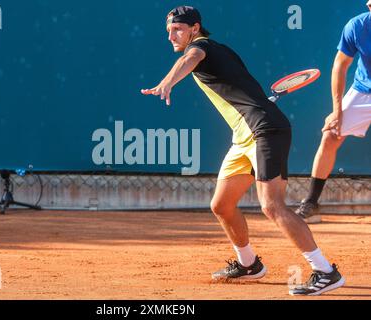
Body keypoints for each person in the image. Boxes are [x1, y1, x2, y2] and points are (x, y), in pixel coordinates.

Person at [141, 5, 345, 296]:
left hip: (264, 130)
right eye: (169, 31)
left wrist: (167, 82)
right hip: (244, 136)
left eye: (178, 30)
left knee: (271, 205)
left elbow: (192, 57)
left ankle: (325, 270)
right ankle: (249, 264)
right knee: (221, 205)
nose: (172, 36)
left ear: (195, 29)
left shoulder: (201, 48)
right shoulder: (220, 51)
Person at [296, 1, 371, 224]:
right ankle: (311, 202)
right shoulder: (357, 26)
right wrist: (336, 111)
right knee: (330, 135)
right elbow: (340, 66)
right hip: (363, 91)